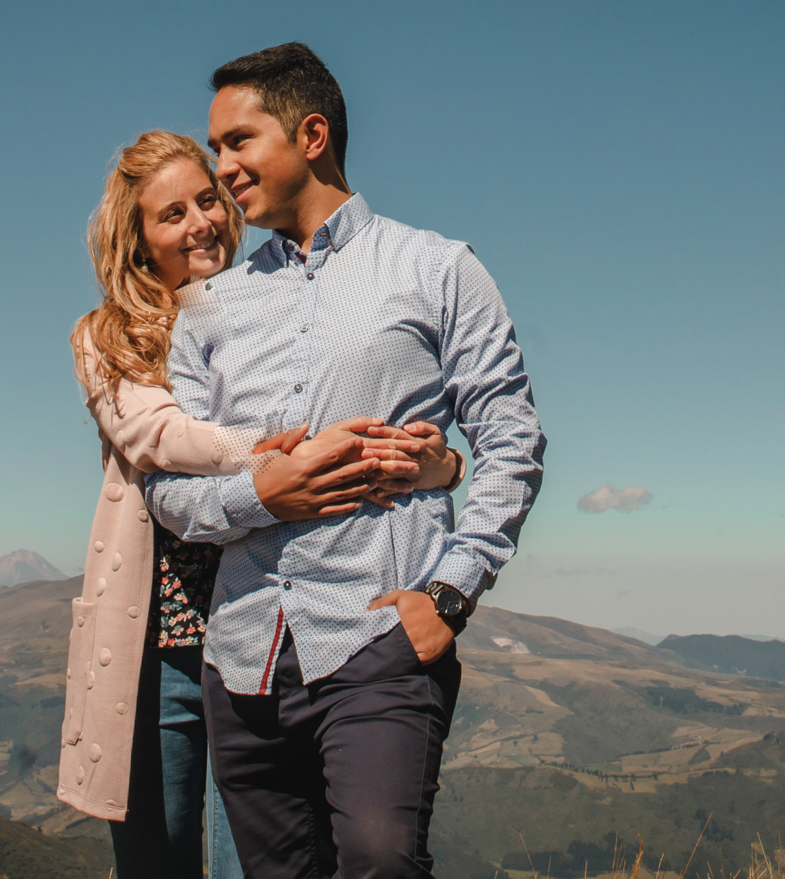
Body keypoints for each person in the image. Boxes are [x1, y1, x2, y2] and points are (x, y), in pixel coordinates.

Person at [142, 43, 547, 879]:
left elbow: (511, 438)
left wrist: (449, 593)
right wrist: (264, 491)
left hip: (375, 643)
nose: (223, 169)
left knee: (380, 860)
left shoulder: (437, 269)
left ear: (312, 133)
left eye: (238, 142)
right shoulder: (211, 308)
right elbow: (170, 491)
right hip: (243, 658)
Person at [57, 129, 464, 879]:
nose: (201, 222)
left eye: (207, 200)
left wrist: (437, 466)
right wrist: (279, 453)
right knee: (160, 860)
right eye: (171, 214)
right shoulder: (108, 337)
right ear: (138, 238)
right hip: (165, 641)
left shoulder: (272, 305)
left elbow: (367, 412)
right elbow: (159, 434)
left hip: (274, 635)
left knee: (265, 861)